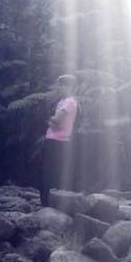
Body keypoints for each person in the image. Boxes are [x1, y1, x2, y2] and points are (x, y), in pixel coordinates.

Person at [40, 74, 79, 206]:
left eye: (60, 85)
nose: (58, 88)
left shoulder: (70, 102)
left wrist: (50, 119)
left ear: (69, 86)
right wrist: (52, 120)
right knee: (48, 174)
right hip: (52, 140)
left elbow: (56, 121)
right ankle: (46, 204)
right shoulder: (62, 101)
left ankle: (48, 204)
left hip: (59, 142)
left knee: (51, 174)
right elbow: (54, 122)